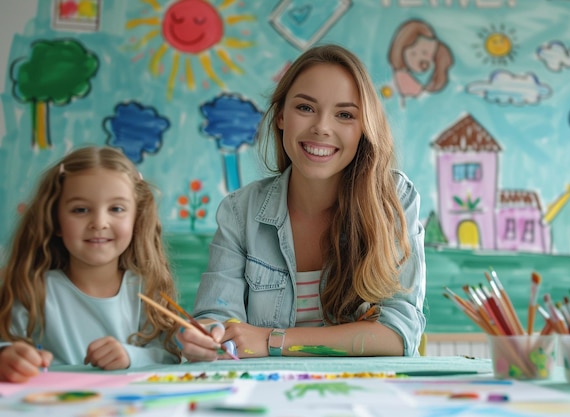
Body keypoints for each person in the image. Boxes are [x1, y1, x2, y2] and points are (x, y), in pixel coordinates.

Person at [177, 44, 426, 361]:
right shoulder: (240, 211)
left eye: (345, 115)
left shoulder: (394, 199)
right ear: (281, 116)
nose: (322, 127)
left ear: (364, 129)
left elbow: (398, 334)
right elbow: (216, 314)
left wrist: (273, 341)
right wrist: (208, 334)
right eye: (305, 108)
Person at [0, 146, 181, 382]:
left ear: (137, 219)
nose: (99, 222)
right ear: (55, 220)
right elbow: (6, 345)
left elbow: (169, 358)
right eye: (81, 210)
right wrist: (7, 356)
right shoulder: (31, 289)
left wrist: (130, 357)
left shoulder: (145, 290)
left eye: (116, 209)